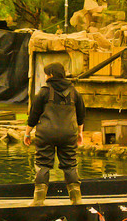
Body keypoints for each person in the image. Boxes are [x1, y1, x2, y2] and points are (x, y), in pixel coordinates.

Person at [23, 62, 85, 206]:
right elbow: (81, 114)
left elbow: (33, 115)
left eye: (46, 73)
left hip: (46, 135)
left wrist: (27, 134)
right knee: (70, 164)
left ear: (50, 75)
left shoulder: (44, 92)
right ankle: (76, 200)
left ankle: (38, 200)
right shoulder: (74, 92)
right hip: (68, 134)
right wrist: (80, 133)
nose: (45, 76)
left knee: (43, 164)